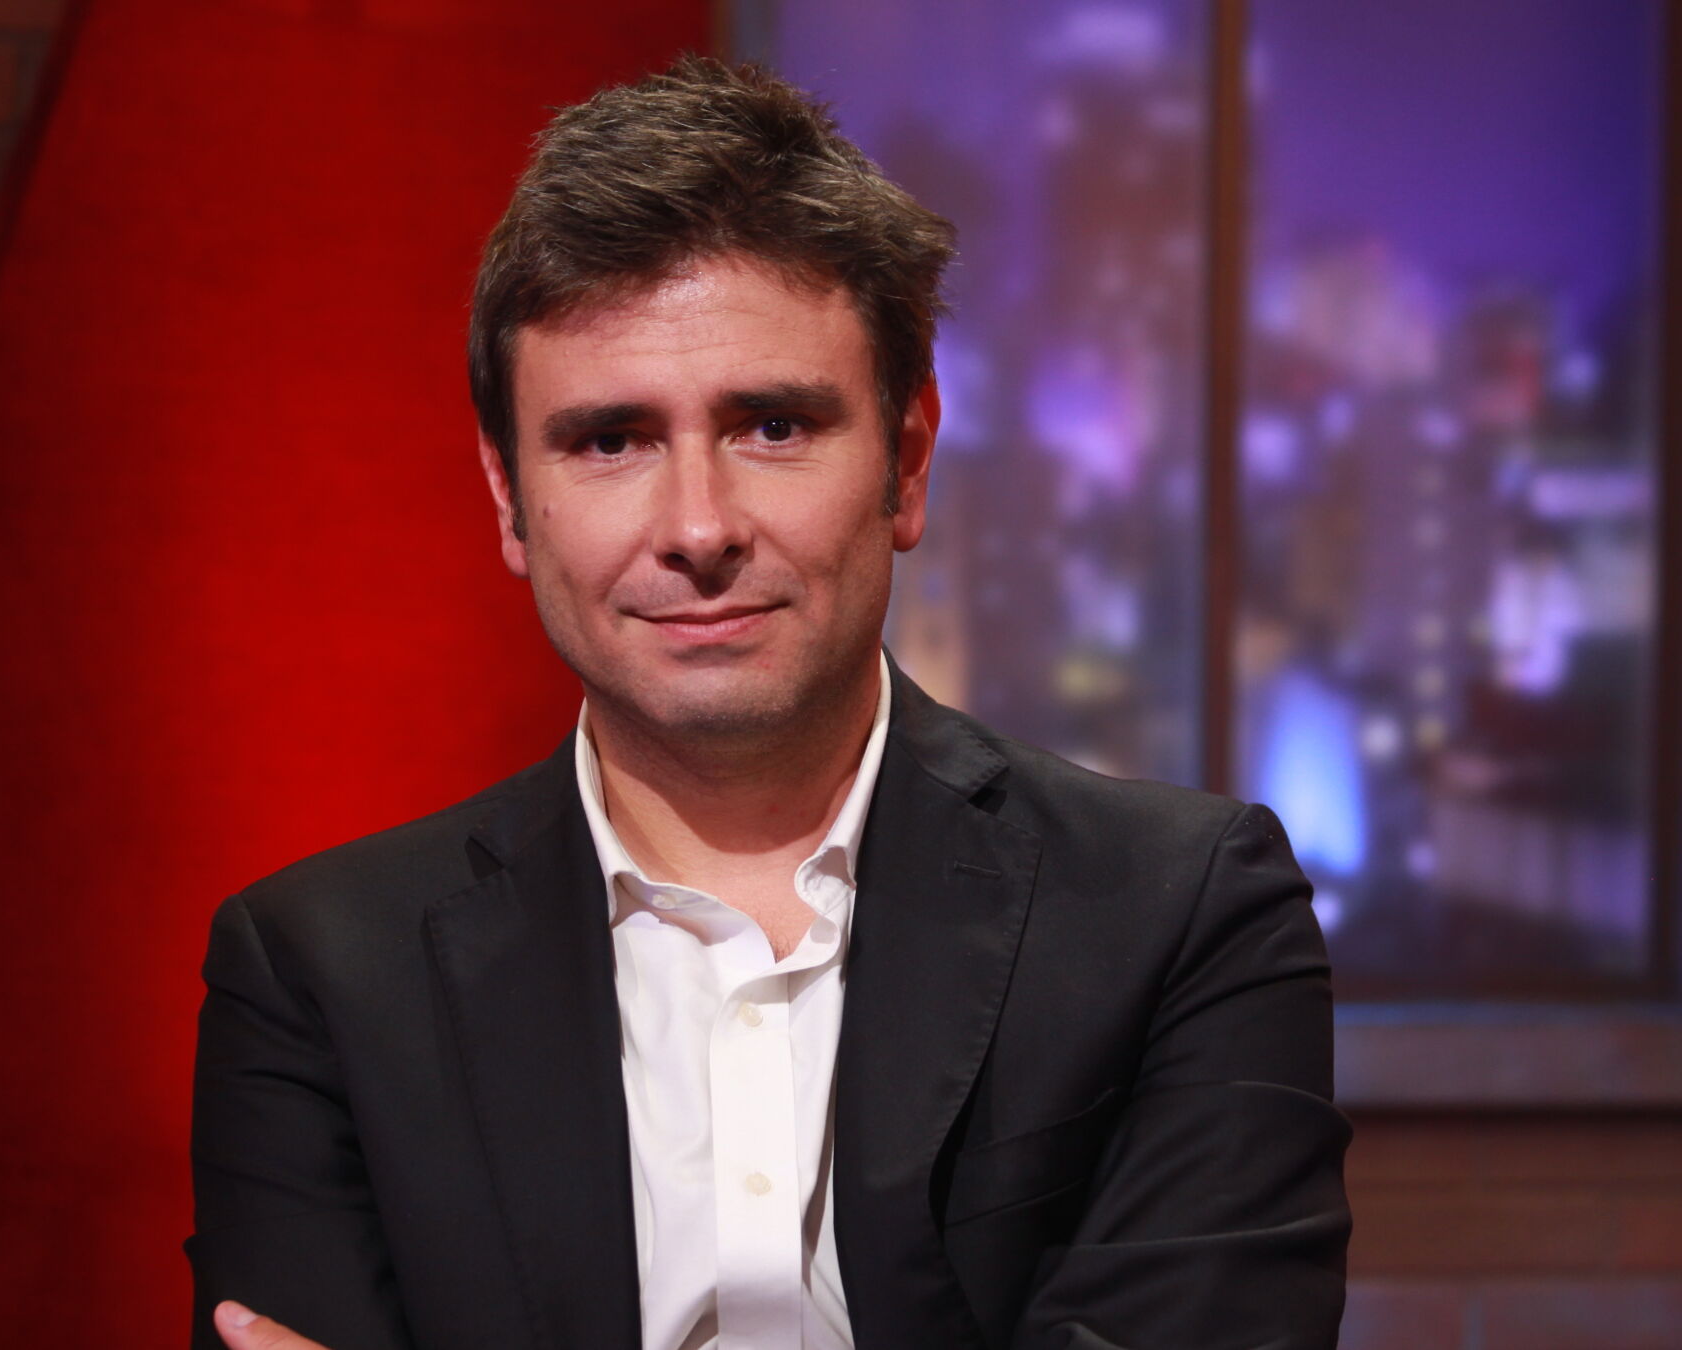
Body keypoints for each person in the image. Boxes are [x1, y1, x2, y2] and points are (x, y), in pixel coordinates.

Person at [187, 56, 1351, 1350]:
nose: (698, 528)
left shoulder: (1183, 914)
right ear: (510, 499)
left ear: (907, 461)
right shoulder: (318, 975)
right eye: (611, 440)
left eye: (773, 427)